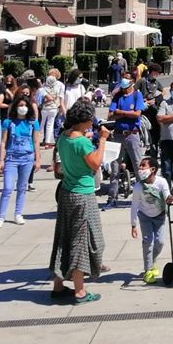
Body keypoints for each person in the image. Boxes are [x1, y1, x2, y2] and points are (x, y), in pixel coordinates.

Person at [51, 99, 109, 304]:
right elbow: (95, 163)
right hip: (82, 194)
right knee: (81, 240)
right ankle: (80, 291)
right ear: (84, 120)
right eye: (90, 118)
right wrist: (102, 140)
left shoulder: (64, 138)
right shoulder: (82, 142)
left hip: (66, 191)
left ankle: (58, 285)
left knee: (63, 238)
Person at [0, 94, 39, 228]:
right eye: (20, 105)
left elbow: (36, 141)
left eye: (25, 105)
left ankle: (18, 213)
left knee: (22, 188)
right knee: (8, 188)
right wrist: (0, 160)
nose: (23, 108)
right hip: (11, 158)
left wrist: (38, 159)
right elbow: (3, 142)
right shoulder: (8, 123)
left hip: (27, 157)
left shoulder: (33, 123)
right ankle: (1, 216)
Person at [131, 156, 173, 283]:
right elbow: (134, 206)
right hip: (145, 217)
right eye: (140, 165)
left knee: (160, 242)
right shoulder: (138, 187)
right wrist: (133, 225)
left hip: (159, 216)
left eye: (143, 165)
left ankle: (152, 260)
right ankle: (148, 270)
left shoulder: (161, 182)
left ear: (153, 169)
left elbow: (167, 194)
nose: (140, 168)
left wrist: (169, 199)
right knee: (147, 242)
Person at [107, 75, 146, 206]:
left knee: (138, 165)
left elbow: (137, 114)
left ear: (131, 84)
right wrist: (127, 113)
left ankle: (144, 196)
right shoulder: (117, 97)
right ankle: (112, 197)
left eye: (126, 88)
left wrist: (121, 112)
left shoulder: (137, 96)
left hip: (132, 134)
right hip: (118, 134)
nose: (124, 91)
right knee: (114, 167)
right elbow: (111, 115)